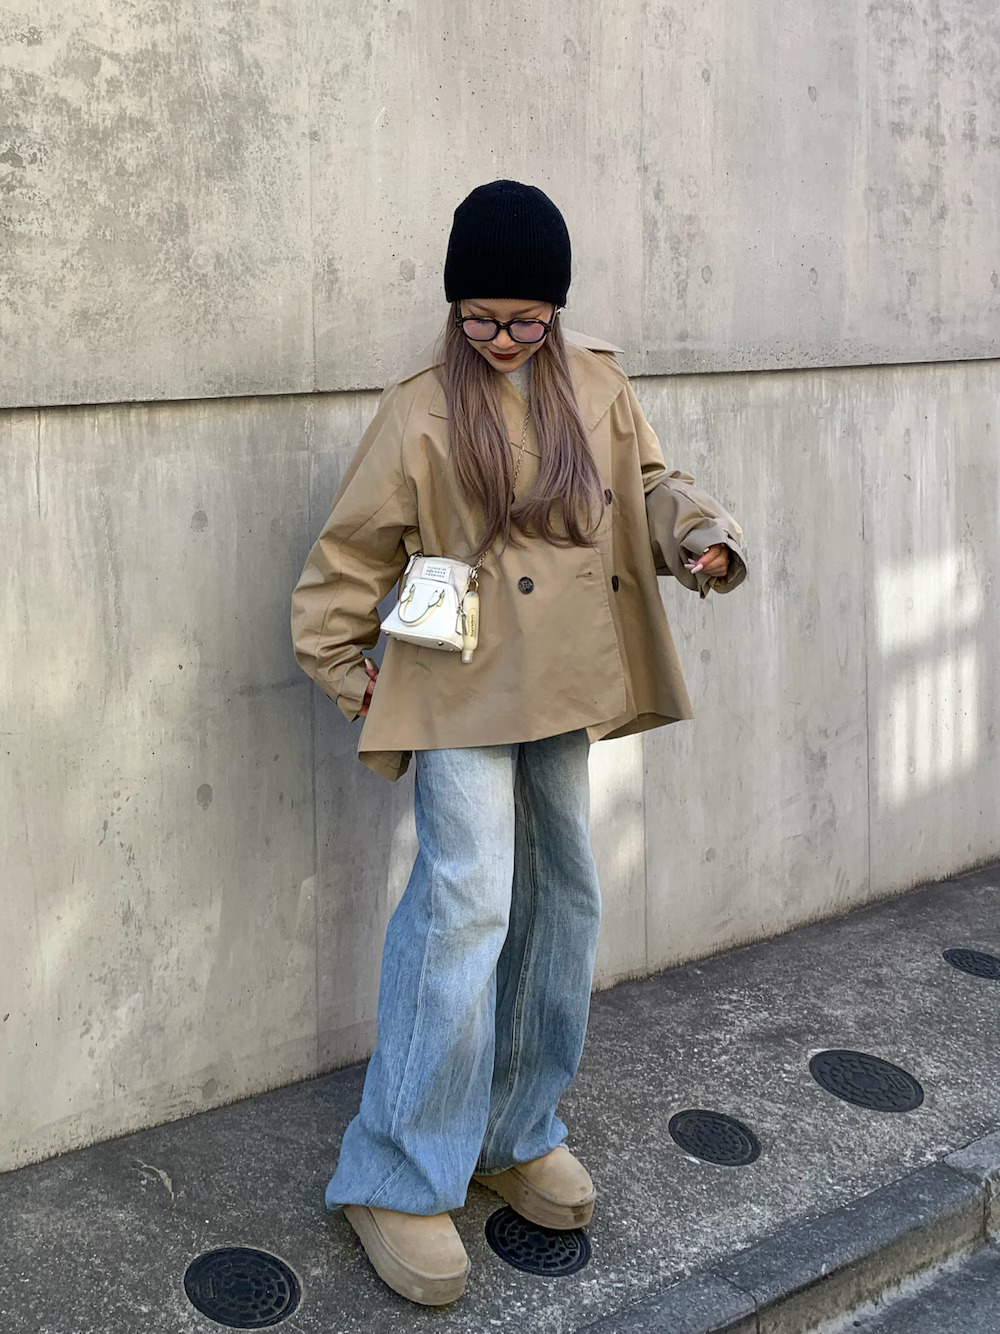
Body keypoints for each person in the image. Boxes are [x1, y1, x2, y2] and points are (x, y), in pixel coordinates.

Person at [290, 180, 747, 1306]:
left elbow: (646, 484)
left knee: (562, 901)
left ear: (557, 307)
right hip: (457, 683)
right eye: (482, 318)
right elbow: (350, 552)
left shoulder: (596, 383)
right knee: (464, 908)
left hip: (567, 674)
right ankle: (397, 1172)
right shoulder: (419, 410)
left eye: (527, 319)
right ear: (455, 308)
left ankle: (513, 1126)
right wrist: (349, 671)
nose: (503, 339)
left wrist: (698, 535)